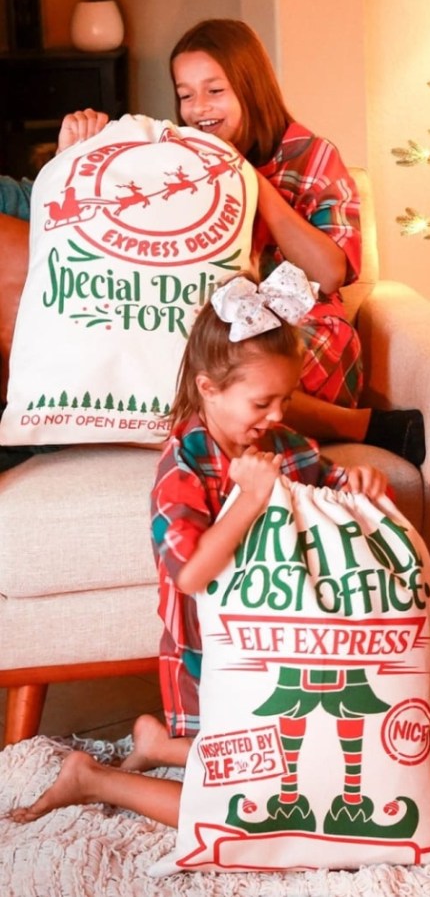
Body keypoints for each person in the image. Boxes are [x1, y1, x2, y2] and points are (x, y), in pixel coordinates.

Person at [9, 276, 389, 826]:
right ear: (209, 388)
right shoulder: (183, 467)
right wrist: (249, 500)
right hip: (212, 656)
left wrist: (358, 480)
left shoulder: (276, 445)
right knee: (251, 811)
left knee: (305, 766)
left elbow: (327, 482)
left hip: (278, 644)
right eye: (263, 402)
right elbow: (189, 574)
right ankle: (94, 778)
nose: (279, 415)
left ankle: (159, 745)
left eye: (286, 398)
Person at [2, 17, 424, 466]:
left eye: (215, 90)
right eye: (185, 94)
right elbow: (109, 231)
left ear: (251, 86)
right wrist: (73, 158)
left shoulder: (311, 155)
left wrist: (249, 180)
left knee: (228, 376)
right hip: (211, 330)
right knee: (171, 359)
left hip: (297, 331)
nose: (198, 108)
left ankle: (360, 426)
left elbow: (329, 273)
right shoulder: (179, 158)